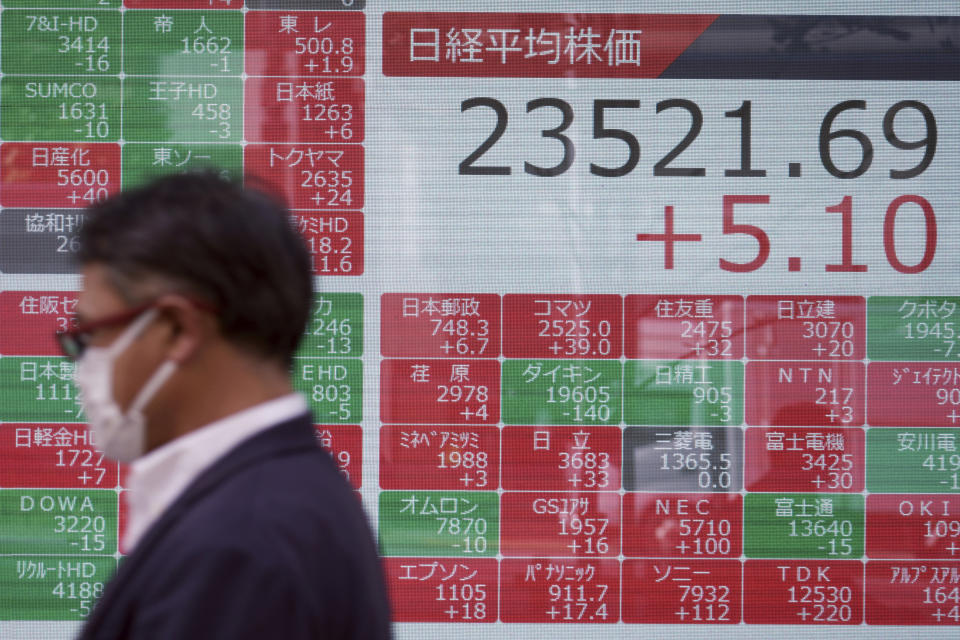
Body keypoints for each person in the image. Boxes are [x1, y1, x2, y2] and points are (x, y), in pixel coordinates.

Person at [63, 172, 391, 639]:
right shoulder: (282, 499)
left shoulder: (242, 543)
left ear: (177, 329)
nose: (87, 363)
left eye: (91, 333)